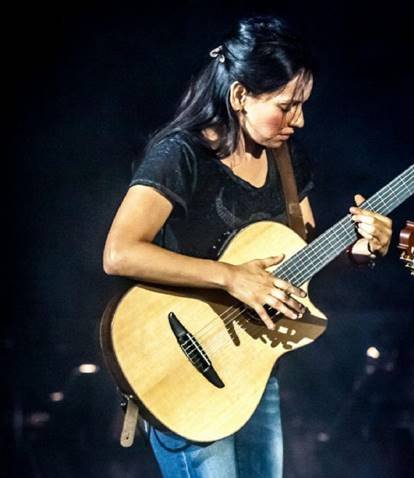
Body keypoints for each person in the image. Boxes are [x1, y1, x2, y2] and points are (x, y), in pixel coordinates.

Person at [102, 16, 392, 478]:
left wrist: (357, 251)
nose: (299, 119)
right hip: (179, 366)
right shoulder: (181, 154)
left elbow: (306, 253)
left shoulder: (287, 158)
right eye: (286, 105)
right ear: (240, 96)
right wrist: (232, 277)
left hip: (252, 371)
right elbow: (119, 252)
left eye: (302, 105)